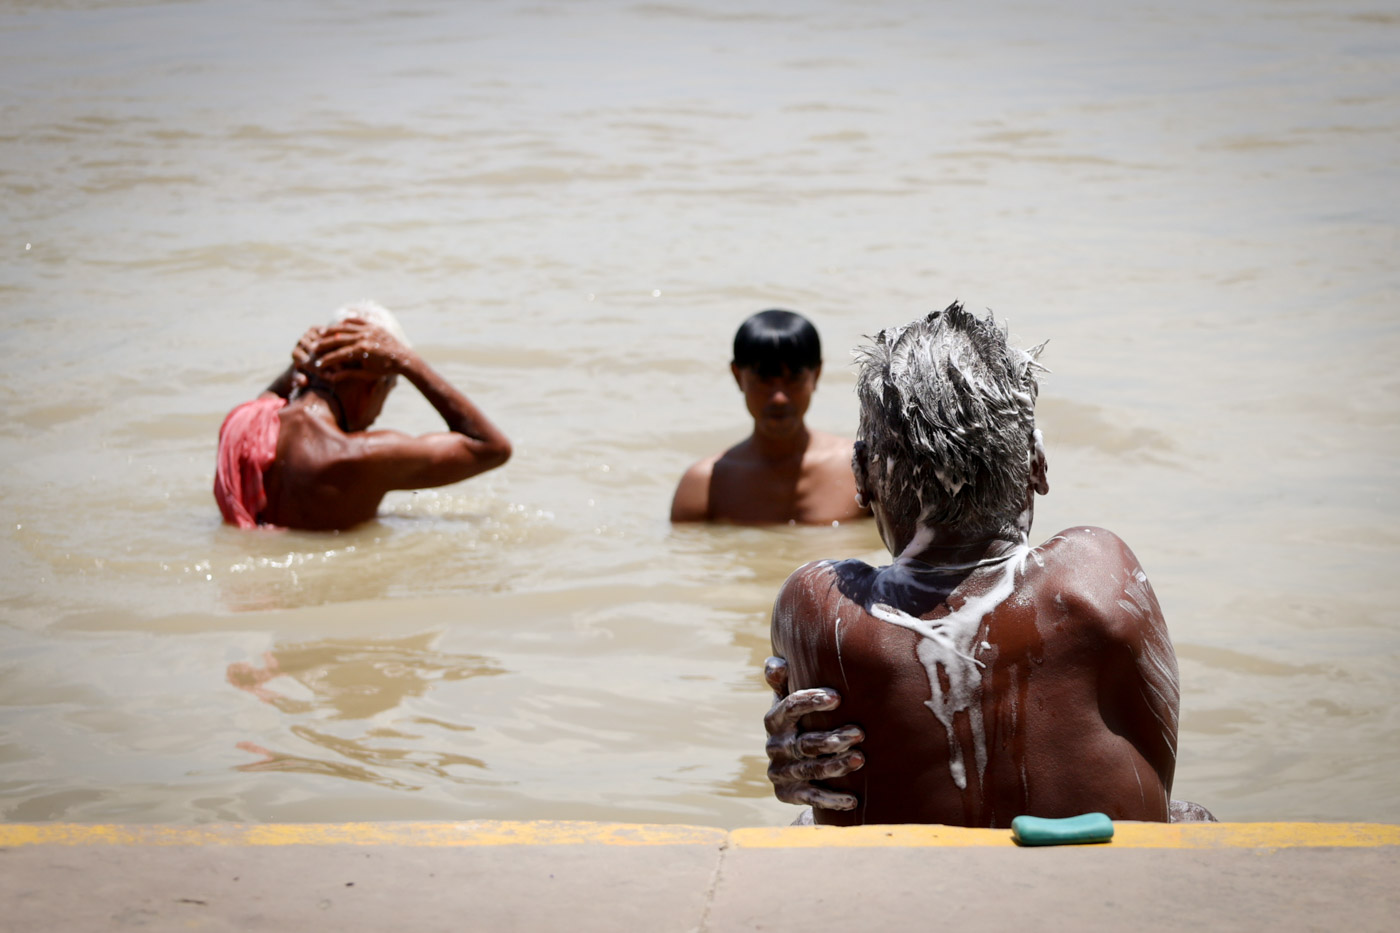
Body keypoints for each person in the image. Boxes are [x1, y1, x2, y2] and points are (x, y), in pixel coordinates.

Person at [763, 302, 1213, 826]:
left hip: (901, 892)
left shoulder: (817, 606)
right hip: (1091, 879)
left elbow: (828, 784)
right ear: (1037, 462)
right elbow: (1156, 782)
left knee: (801, 824)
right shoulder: (1101, 575)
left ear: (861, 475)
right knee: (1189, 816)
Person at [213, 301, 511, 532]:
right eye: (390, 387)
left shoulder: (243, 423)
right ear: (374, 386)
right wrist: (408, 363)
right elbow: (492, 447)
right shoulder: (359, 456)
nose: (377, 415)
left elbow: (272, 399)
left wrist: (302, 366)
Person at [670, 309, 868, 525]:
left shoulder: (862, 471)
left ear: (816, 374)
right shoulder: (703, 487)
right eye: (763, 379)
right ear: (738, 376)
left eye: (794, 378)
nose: (779, 398)